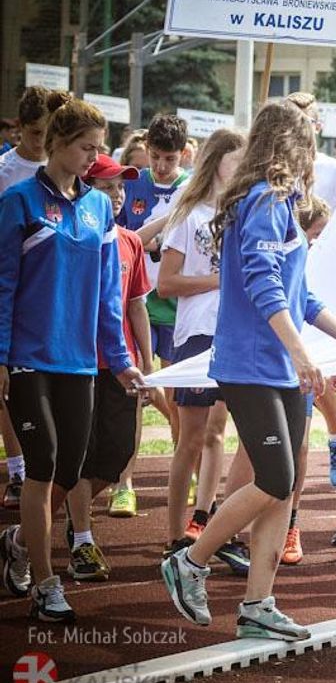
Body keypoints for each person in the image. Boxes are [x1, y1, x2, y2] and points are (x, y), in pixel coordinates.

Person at [160, 100, 336, 641]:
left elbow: (300, 293)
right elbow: (264, 288)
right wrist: (304, 355)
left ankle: (259, 602)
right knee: (276, 478)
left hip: (280, 366)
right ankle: (191, 561)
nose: (315, 150)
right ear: (292, 142)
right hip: (252, 364)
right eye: (308, 138)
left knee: (286, 487)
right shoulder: (262, 199)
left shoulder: (281, 202)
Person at [0, 96, 146, 622]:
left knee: (68, 473)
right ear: (57, 144)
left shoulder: (98, 208)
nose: (95, 156)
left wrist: (120, 358)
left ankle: (18, 541)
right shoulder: (18, 202)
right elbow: (2, 285)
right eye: (87, 146)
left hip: (81, 362)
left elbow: (111, 296)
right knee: (40, 469)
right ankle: (45, 583)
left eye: (100, 147)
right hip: (27, 359)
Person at [156, 129, 245, 556]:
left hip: (236, 334)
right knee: (189, 438)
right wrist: (219, 280)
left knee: (221, 433)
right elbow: (166, 284)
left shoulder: (242, 213)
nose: (243, 167)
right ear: (216, 161)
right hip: (196, 335)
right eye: (237, 159)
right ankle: (175, 536)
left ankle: (209, 520)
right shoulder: (189, 214)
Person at [63, 154, 151, 583]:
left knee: (116, 455)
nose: (116, 196)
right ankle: (82, 538)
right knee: (80, 456)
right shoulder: (75, 235)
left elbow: (136, 306)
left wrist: (147, 363)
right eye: (107, 187)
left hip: (121, 366)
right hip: (79, 362)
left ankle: (58, 515)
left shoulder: (130, 242)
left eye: (120, 188)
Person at [0, 86, 70, 512]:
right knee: (9, 385)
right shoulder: (7, 171)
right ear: (21, 128)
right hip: (12, 283)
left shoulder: (67, 167)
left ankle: (49, 471)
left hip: (53, 294)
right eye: (35, 133)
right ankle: (17, 468)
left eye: (49, 133)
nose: (41, 142)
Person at [283, 93, 336, 480]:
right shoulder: (273, 173)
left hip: (322, 283)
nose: (300, 127)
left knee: (322, 371)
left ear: (318, 125)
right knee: (304, 377)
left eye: (306, 120)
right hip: (288, 280)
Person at [121, 114, 192, 455]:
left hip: (178, 303)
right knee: (137, 386)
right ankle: (125, 483)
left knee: (177, 394)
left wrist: (155, 241)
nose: (161, 167)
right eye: (155, 157)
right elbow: (125, 240)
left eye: (170, 159)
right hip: (135, 300)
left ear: (185, 154)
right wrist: (158, 231)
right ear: (146, 150)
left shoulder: (194, 187)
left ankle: (182, 460)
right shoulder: (133, 183)